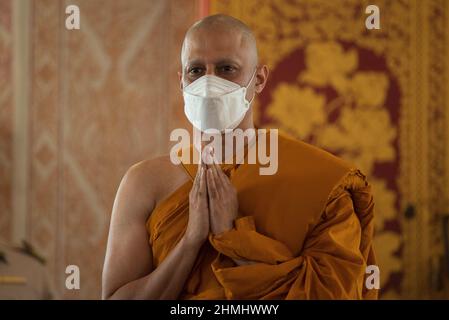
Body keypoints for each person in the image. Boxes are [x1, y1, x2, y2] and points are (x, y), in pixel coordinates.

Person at [102, 14, 378, 300]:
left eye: (226, 68)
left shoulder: (321, 183)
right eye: (196, 70)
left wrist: (231, 237)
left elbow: (331, 294)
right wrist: (190, 242)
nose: (208, 83)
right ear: (182, 82)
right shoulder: (143, 182)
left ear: (258, 79)